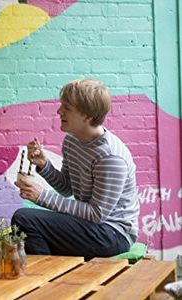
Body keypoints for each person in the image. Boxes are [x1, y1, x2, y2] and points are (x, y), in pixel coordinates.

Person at [12, 79, 139, 260]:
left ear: (87, 115)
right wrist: (44, 164)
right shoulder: (72, 140)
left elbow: (97, 214)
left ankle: (46, 281)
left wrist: (41, 196)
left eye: (67, 108)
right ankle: (51, 279)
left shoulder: (110, 157)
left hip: (113, 234)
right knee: (14, 235)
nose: (59, 111)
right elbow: (66, 188)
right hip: (91, 226)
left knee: (24, 219)